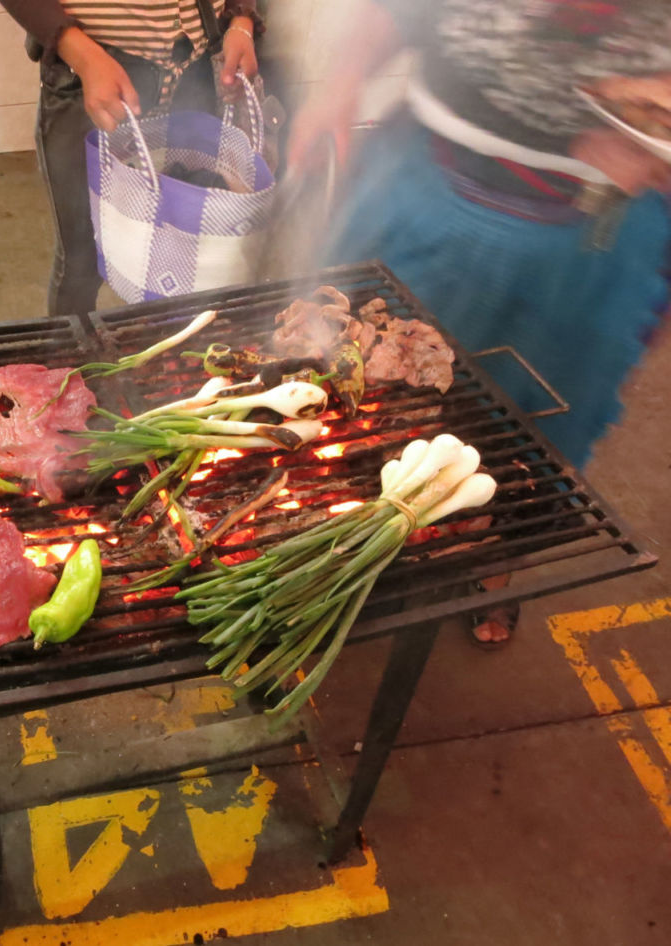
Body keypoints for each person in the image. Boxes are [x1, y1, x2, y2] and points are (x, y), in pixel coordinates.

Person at [287, 0, 671, 647]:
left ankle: (495, 561)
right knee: (367, 398)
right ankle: (338, 543)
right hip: (431, 183)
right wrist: (340, 81)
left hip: (603, 233)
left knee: (541, 428)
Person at [0, 0, 263, 317]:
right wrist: (82, 54)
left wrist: (241, 20)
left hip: (199, 66)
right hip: (93, 73)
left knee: (190, 252)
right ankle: (69, 360)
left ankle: (176, 357)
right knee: (83, 257)